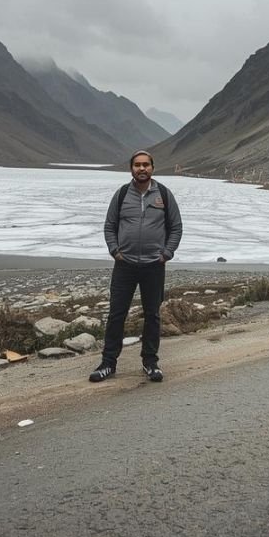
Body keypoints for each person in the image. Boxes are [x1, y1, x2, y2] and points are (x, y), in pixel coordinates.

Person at [89, 150, 183, 384]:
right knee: (116, 314)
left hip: (154, 265)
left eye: (146, 165)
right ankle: (108, 363)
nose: (142, 169)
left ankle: (150, 362)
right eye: (137, 165)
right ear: (131, 169)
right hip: (125, 265)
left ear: (153, 168)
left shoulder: (163, 194)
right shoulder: (122, 195)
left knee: (152, 315)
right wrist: (115, 251)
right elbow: (110, 226)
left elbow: (176, 227)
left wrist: (166, 254)